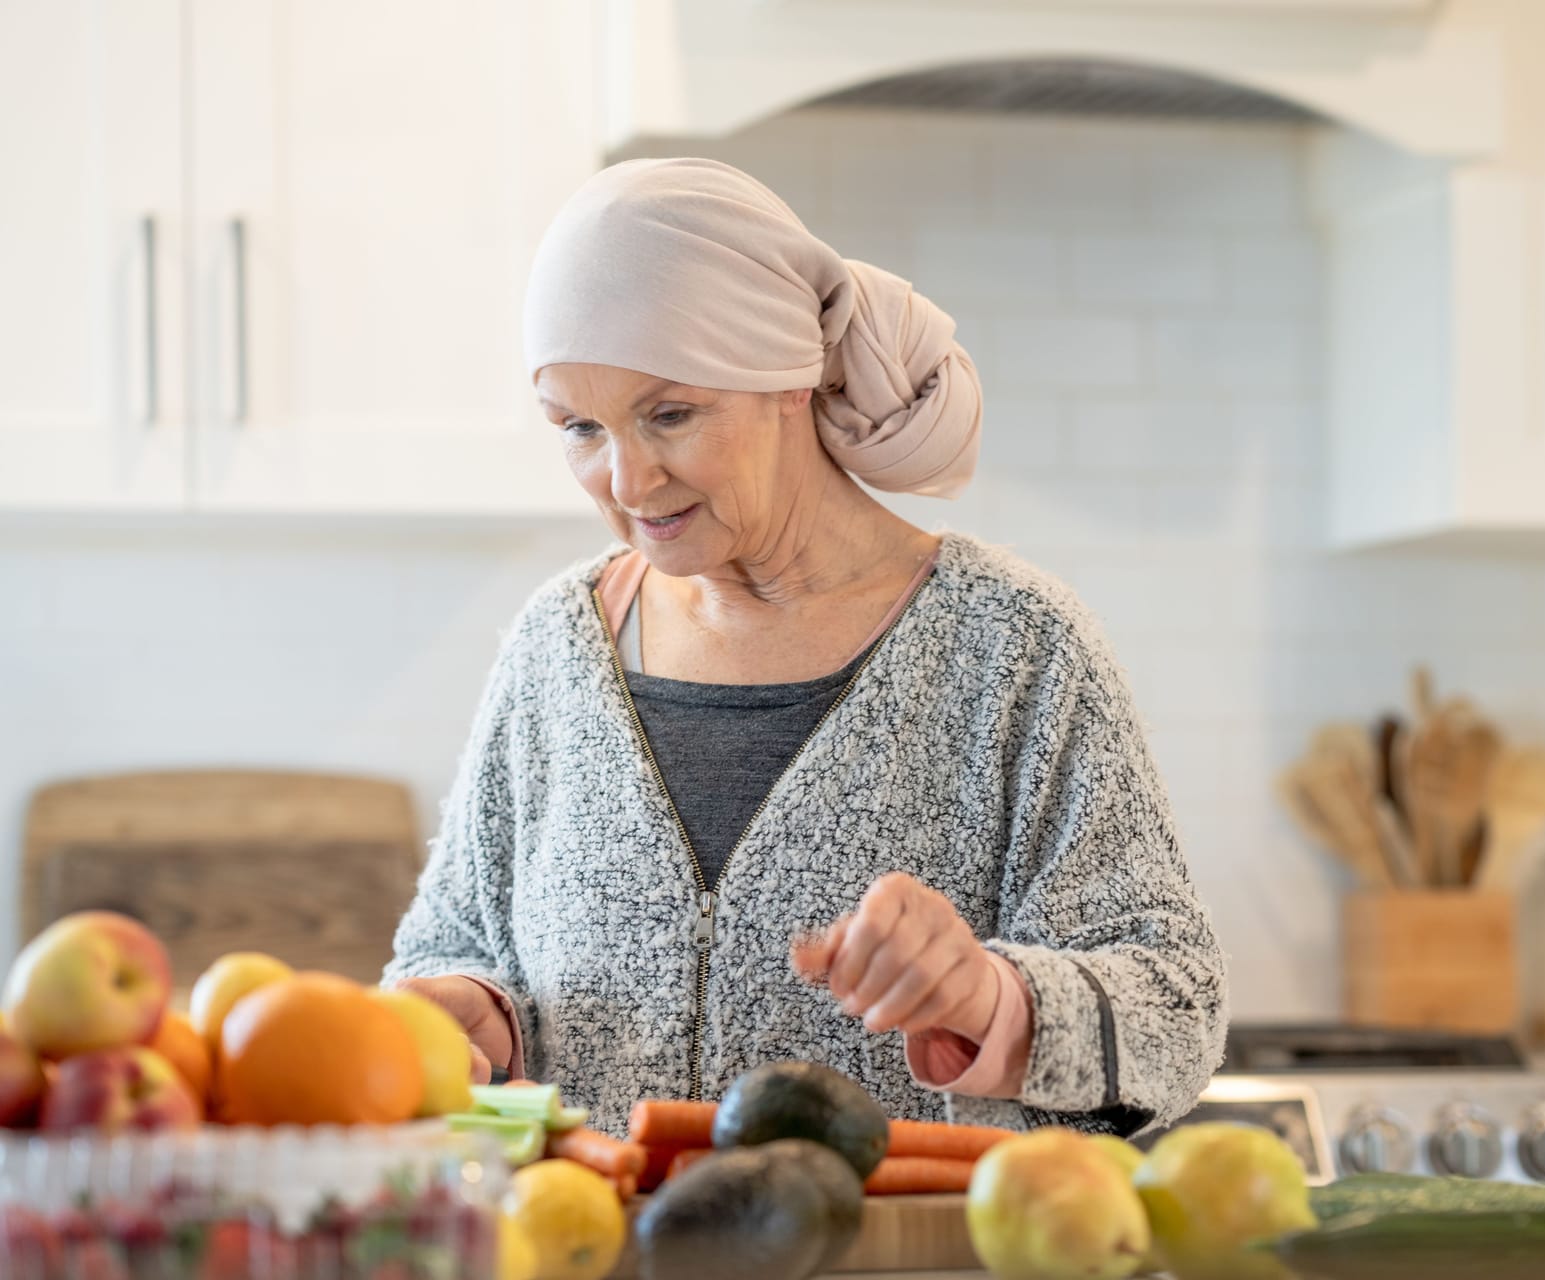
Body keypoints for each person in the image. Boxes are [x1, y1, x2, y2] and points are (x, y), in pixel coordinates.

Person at [383, 157, 1228, 1138]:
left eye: (670, 413)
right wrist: (471, 1012)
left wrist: (995, 996)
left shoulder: (1013, 649)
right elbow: (456, 945)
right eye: (579, 426)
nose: (625, 477)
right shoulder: (556, 648)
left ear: (789, 377)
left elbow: (1178, 1010)